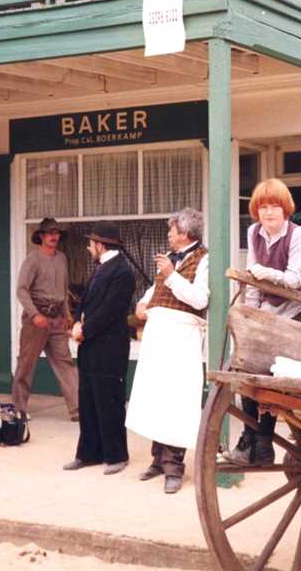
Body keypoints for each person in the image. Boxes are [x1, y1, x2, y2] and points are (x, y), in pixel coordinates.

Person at [224, 179, 301, 466]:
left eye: (274, 206)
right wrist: (252, 314)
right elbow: (252, 280)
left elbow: (294, 279)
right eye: (263, 207)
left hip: (294, 311)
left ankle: (263, 442)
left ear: (285, 208)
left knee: (273, 376)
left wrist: (264, 273)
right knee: (249, 366)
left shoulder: (299, 236)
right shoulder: (254, 232)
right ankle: (251, 440)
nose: (269, 213)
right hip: (266, 311)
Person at [126, 208, 210, 494]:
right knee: (156, 396)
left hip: (181, 336)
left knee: (177, 399)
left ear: (185, 234)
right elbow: (155, 290)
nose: (169, 235)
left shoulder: (204, 259)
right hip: (158, 335)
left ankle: (175, 467)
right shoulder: (169, 260)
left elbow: (199, 299)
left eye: (172, 231)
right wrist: (142, 303)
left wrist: (172, 275)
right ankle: (158, 461)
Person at [63, 221, 136, 475]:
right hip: (90, 347)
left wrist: (85, 329)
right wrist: (75, 322)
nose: (88, 247)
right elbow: (84, 303)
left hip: (110, 348)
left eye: (91, 242)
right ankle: (88, 453)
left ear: (101, 244)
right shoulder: (100, 269)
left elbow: (110, 311)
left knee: (109, 402)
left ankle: (116, 455)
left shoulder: (123, 272)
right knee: (88, 400)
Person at [13, 218, 79, 421]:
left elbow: (64, 289)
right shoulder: (33, 259)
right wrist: (35, 315)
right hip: (36, 319)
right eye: (49, 233)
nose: (54, 236)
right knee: (26, 364)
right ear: (41, 236)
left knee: (65, 363)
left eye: (57, 233)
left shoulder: (61, 258)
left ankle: (77, 408)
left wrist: (67, 314)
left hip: (57, 319)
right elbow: (21, 290)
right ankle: (19, 408)